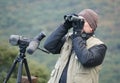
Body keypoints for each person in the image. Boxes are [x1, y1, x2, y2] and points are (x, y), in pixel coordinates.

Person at [44, 9, 107, 83]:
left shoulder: (99, 46)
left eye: (83, 21)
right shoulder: (69, 39)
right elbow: (49, 46)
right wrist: (65, 26)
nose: (79, 23)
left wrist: (77, 35)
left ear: (91, 27)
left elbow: (86, 60)